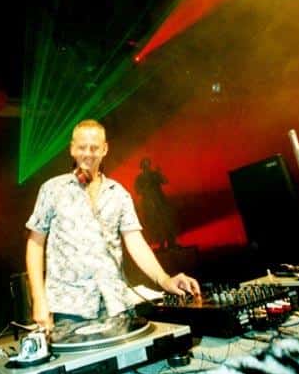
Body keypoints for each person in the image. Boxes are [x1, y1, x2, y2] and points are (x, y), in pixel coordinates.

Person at [26, 119, 200, 332]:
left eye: (94, 148)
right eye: (82, 147)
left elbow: (136, 242)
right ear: (72, 149)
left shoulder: (118, 194)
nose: (88, 153)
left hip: (116, 305)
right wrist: (39, 299)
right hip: (70, 309)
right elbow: (35, 245)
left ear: (105, 149)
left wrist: (164, 280)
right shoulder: (52, 189)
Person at [135, 157, 178, 249]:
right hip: (149, 204)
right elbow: (138, 191)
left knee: (166, 222)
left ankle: (171, 243)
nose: (147, 167)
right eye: (145, 165)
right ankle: (161, 244)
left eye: (148, 165)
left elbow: (165, 181)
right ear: (142, 167)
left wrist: (159, 174)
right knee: (155, 224)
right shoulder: (140, 178)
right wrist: (146, 188)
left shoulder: (154, 174)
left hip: (160, 202)